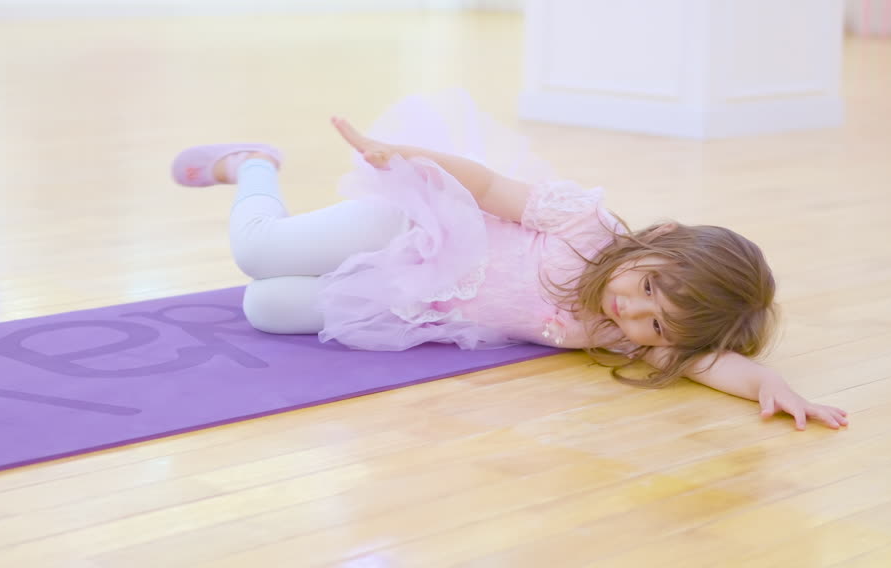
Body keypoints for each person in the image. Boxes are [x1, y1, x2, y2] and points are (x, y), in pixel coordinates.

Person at [171, 94, 848, 430]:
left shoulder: (625, 335)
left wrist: (765, 383)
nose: (630, 313)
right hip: (411, 224)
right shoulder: (585, 227)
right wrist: (405, 158)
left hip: (411, 298)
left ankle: (293, 235)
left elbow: (703, 359)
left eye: (656, 326)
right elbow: (491, 187)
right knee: (258, 254)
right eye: (646, 288)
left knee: (267, 308)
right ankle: (254, 166)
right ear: (658, 238)